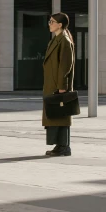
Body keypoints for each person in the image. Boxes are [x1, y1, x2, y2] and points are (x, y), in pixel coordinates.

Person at [42, 12, 75, 157]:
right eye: (50, 21)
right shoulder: (57, 39)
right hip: (52, 83)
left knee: (60, 115)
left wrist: (62, 86)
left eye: (52, 21)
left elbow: (65, 65)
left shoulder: (64, 41)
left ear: (60, 24)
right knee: (56, 115)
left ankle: (63, 146)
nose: (50, 24)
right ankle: (59, 145)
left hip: (58, 85)